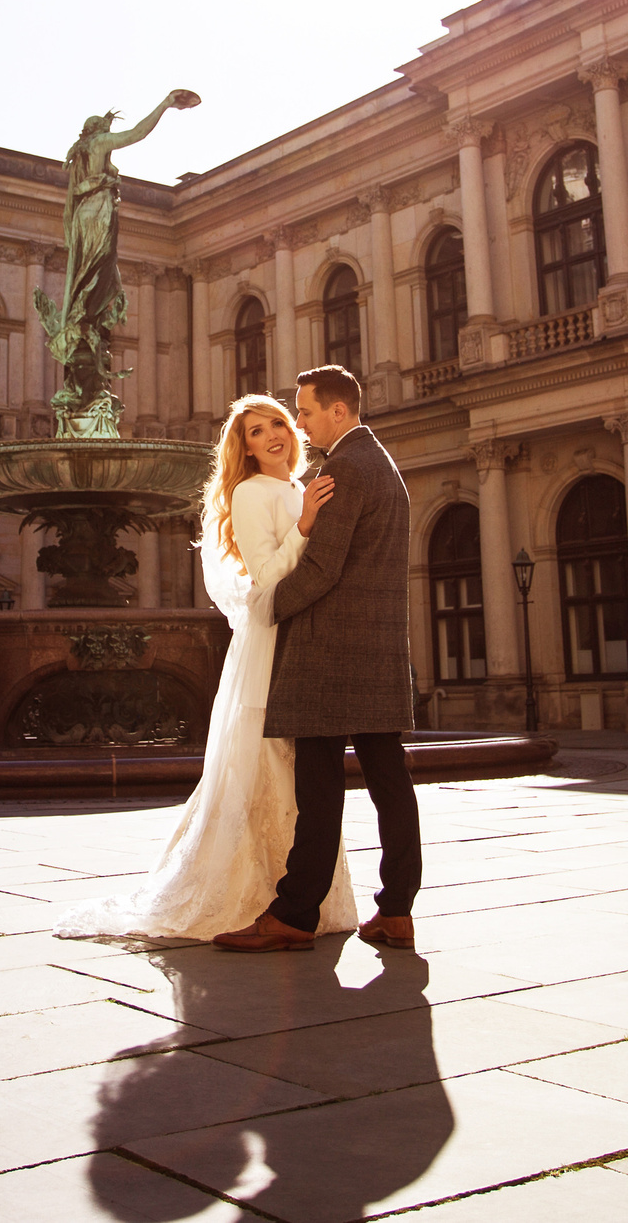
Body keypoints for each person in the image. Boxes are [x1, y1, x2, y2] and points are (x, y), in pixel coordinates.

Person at [54, 393, 356, 941]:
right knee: (266, 765)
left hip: (308, 640)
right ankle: (255, 897)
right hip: (269, 641)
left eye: (276, 425)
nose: (271, 437)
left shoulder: (301, 485)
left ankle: (303, 896)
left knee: (300, 776)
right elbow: (264, 575)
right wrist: (306, 523)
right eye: (255, 432)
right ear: (242, 448)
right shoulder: (249, 492)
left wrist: (308, 510)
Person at [216, 365, 420, 954]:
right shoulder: (382, 465)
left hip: (328, 651)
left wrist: (267, 606)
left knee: (320, 788)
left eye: (303, 412)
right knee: (389, 780)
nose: (299, 423)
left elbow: (322, 567)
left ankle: (294, 914)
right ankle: (397, 910)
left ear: (337, 411)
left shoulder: (345, 470)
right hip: (377, 650)